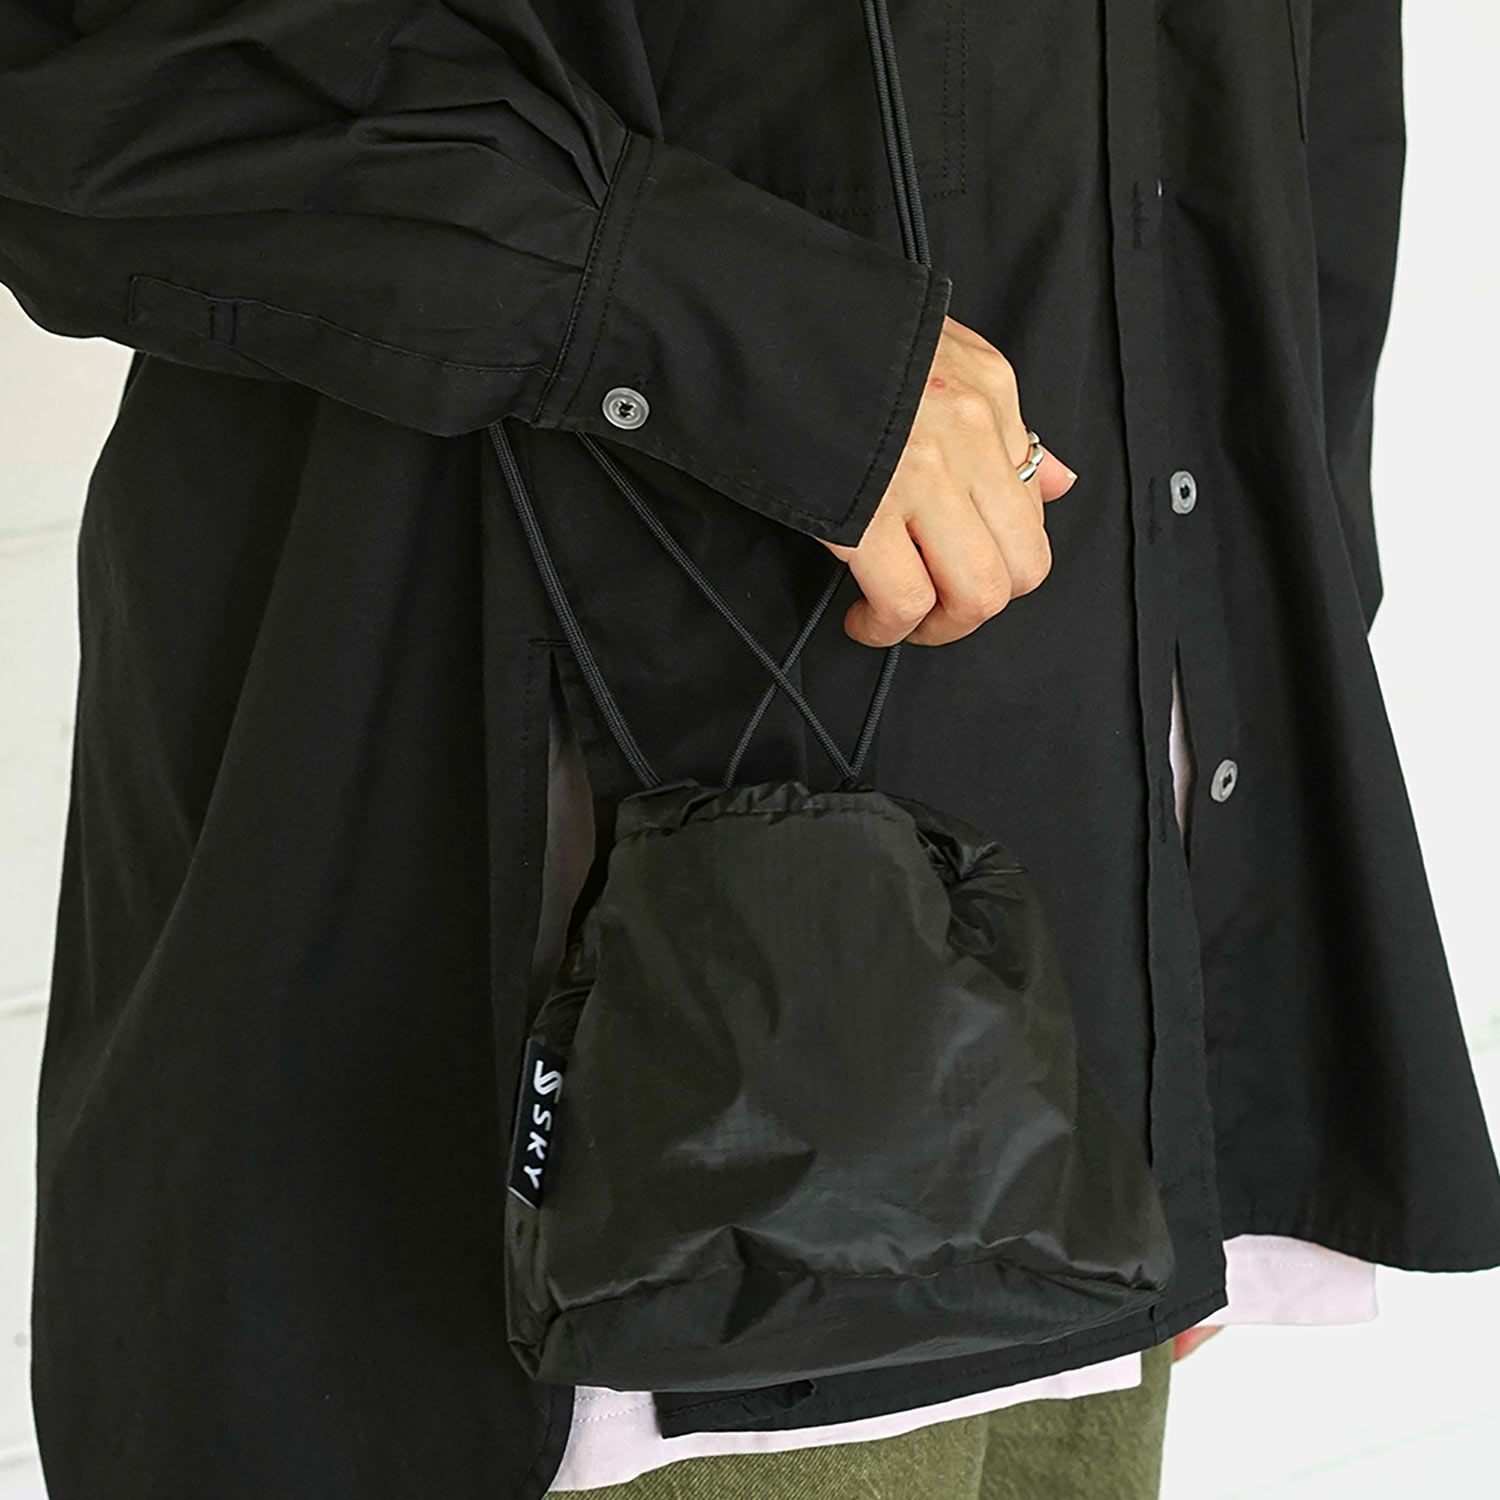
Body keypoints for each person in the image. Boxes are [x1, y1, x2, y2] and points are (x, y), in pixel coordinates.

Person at [2, 4, 1497, 1499]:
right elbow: (96, 67)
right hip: (580, 1090)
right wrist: (755, 336)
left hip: (1088, 1039)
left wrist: (1209, 999)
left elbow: (1294, 147)